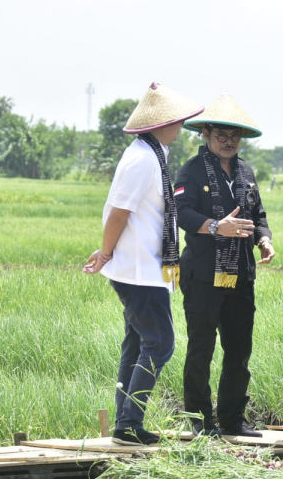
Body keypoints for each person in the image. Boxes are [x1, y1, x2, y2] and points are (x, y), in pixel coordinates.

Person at [83, 82, 203, 446]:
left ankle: (126, 422)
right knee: (160, 343)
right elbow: (119, 212)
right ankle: (129, 423)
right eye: (177, 121)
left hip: (144, 268)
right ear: (162, 123)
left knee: (137, 345)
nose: (181, 127)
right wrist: (105, 252)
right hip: (138, 271)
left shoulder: (151, 153)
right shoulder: (142, 159)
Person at [174, 94, 275, 437]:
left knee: (239, 349)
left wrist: (264, 239)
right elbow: (181, 213)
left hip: (241, 274)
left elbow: (258, 214)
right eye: (221, 136)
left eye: (234, 136)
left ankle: (234, 419)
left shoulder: (246, 171)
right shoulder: (191, 170)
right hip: (203, 274)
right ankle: (201, 421)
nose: (228, 142)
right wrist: (218, 226)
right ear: (205, 134)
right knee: (201, 348)